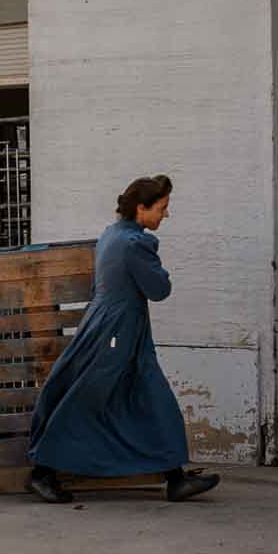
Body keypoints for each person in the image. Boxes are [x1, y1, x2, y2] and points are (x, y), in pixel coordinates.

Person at [24, 175, 221, 504]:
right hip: (117, 333)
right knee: (86, 399)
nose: (166, 215)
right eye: (162, 208)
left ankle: (175, 477)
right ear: (140, 208)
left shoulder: (111, 235)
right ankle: (42, 473)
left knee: (153, 398)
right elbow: (160, 290)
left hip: (113, 327)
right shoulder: (135, 244)